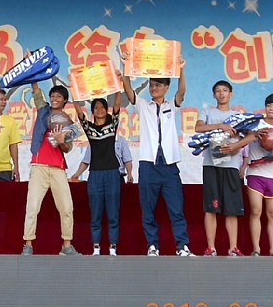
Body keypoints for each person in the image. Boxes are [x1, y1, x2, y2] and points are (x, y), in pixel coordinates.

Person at [121, 54, 194, 257]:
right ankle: (152, 246)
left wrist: (180, 68)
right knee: (148, 209)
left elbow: (182, 91)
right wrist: (126, 66)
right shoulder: (143, 105)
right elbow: (128, 89)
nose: (154, 88)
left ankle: (182, 246)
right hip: (148, 165)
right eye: (152, 85)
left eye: (158, 85)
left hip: (169, 166)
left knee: (176, 209)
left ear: (166, 87)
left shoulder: (172, 105)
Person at [223, 93, 273, 257]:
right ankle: (256, 249)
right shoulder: (255, 124)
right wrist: (253, 135)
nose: (271, 108)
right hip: (255, 173)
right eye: (269, 105)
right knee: (256, 210)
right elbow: (241, 139)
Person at [21, 81, 80, 256]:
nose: (54, 99)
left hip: (58, 168)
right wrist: (33, 76)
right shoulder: (43, 111)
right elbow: (37, 93)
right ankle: (28, 244)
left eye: (58, 96)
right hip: (39, 166)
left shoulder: (68, 122)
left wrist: (61, 141)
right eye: (52, 96)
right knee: (32, 207)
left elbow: (67, 148)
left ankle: (67, 245)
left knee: (67, 207)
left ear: (65, 101)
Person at [69, 93, 127, 256]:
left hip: (112, 173)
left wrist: (118, 88)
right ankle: (96, 247)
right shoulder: (90, 129)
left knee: (113, 212)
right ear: (92, 111)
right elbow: (79, 112)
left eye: (102, 107)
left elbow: (117, 106)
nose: (99, 110)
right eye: (96, 108)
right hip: (95, 174)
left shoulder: (112, 125)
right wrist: (75, 92)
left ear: (106, 110)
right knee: (95, 212)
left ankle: (113, 247)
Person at [194, 80, 245, 257]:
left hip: (231, 165)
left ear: (231, 94)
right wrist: (220, 126)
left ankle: (233, 247)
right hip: (211, 164)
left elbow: (249, 136)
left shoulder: (238, 116)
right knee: (211, 207)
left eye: (225, 90)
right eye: (217, 91)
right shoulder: (207, 112)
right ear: (214, 95)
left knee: (232, 208)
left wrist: (236, 146)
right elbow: (198, 127)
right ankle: (211, 247)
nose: (221, 94)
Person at [0, 88, 23, 182]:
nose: (4, 102)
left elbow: (13, 144)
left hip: (5, 169)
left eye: (5, 100)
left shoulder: (10, 120)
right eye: (1, 99)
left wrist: (16, 166)